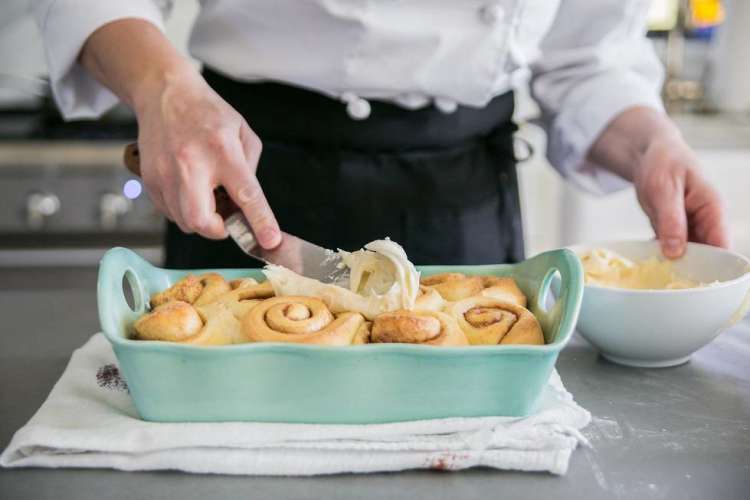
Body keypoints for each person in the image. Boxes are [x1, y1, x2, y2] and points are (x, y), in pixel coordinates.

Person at [32, 0, 730, 267]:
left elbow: (588, 56)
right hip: (251, 179)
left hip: (464, 212)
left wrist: (650, 146)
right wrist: (162, 89)